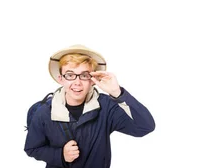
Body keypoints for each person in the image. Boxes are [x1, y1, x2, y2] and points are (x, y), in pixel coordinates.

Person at [24, 44, 156, 168]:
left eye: (84, 75)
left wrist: (117, 93)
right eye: (70, 75)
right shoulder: (44, 112)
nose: (77, 82)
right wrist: (61, 155)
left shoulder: (106, 107)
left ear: (93, 80)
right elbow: (32, 148)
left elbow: (145, 127)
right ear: (61, 78)